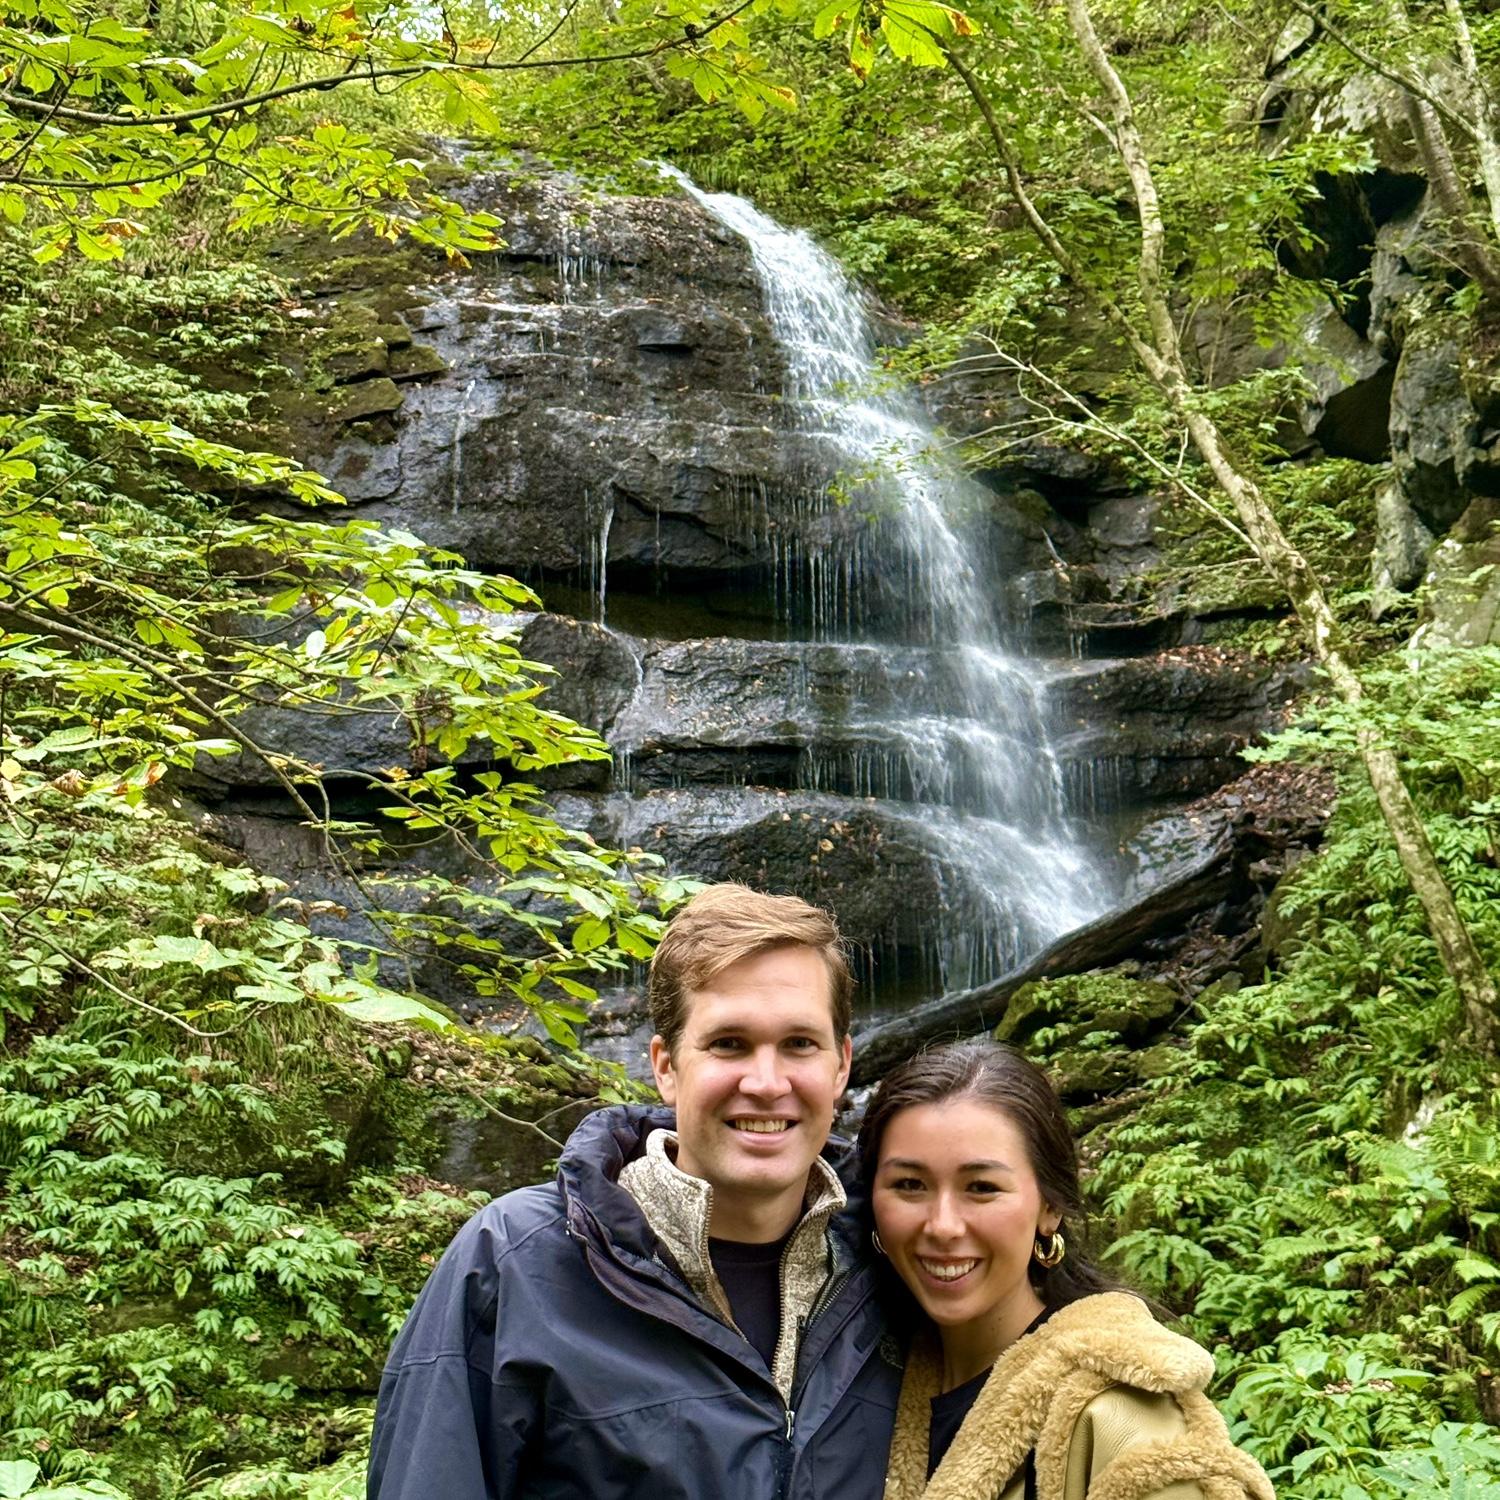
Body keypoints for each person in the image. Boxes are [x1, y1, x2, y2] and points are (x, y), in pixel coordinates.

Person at [367, 883, 900, 1499]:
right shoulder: (515, 1262)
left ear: (840, 1066)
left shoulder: (898, 1261)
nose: (765, 1081)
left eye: (798, 1044)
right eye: (728, 1043)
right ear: (666, 1067)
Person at [859, 1041, 1274, 1500]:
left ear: (1050, 1206)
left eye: (981, 1187)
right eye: (909, 1185)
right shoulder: (867, 1385)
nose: (942, 1225)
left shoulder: (1123, 1421)